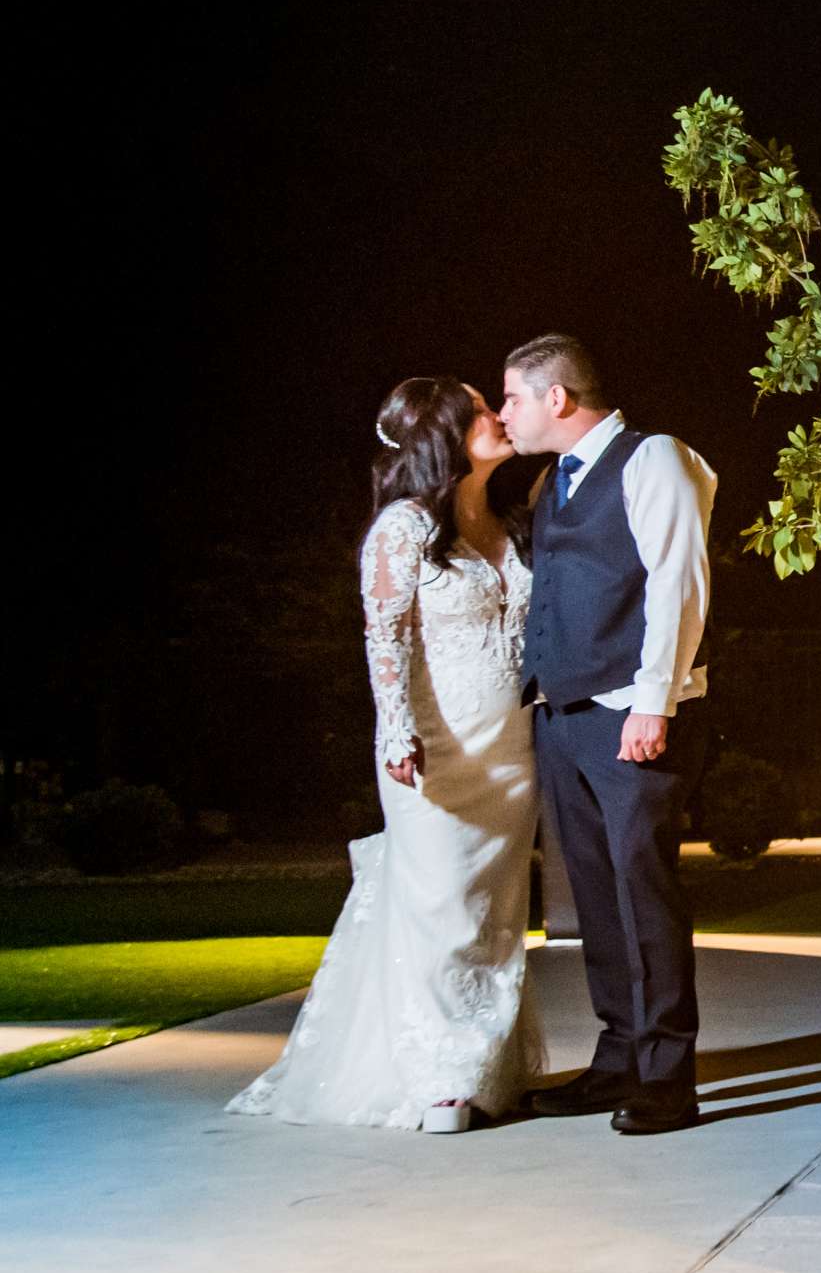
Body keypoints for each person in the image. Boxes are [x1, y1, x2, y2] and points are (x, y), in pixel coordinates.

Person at [229, 377, 543, 1133]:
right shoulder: (402, 528)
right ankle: (438, 1079)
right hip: (433, 750)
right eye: (480, 412)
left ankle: (484, 1068)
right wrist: (396, 728)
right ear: (445, 433)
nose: (499, 418)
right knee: (439, 906)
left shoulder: (513, 520)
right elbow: (385, 636)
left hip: (512, 751)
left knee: (495, 913)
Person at [499, 334, 716, 1136]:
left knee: (642, 890)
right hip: (563, 716)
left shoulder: (653, 457)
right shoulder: (549, 482)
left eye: (512, 398)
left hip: (631, 709)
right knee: (594, 893)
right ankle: (619, 1056)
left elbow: (678, 581)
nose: (504, 414)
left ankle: (668, 1077)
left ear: (557, 398)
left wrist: (653, 703)